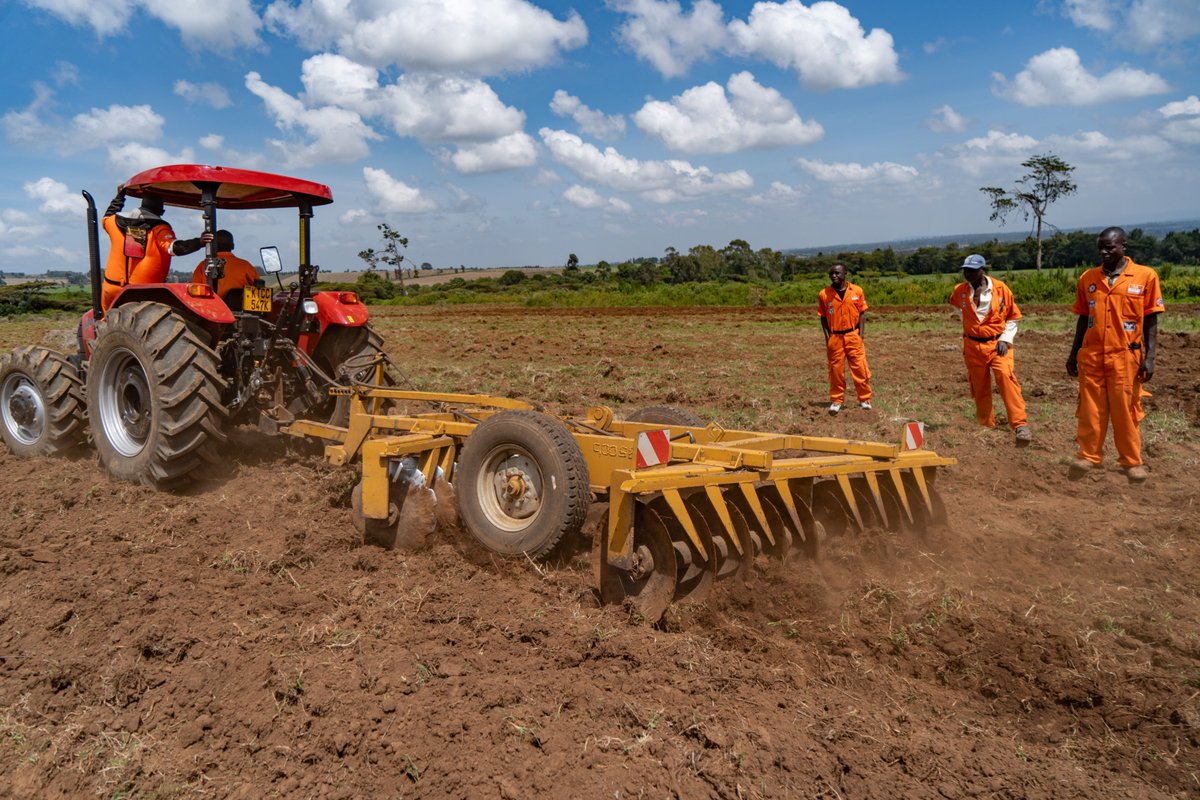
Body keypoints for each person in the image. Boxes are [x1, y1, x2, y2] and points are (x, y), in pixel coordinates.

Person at [1066, 227, 1164, 483]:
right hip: (1092, 355)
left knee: (1126, 410)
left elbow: (1151, 319)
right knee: (1090, 409)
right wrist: (1073, 353)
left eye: (1109, 247)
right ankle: (1088, 456)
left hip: (1125, 356)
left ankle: (1132, 462)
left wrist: (1150, 356)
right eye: (1100, 247)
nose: (1103, 252)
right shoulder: (1088, 278)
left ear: (1123, 246)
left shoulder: (1145, 276)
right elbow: (1083, 319)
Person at [948, 254, 1032, 446]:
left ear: (982, 270)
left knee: (1005, 378)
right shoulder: (959, 291)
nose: (967, 274)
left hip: (998, 345)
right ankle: (985, 426)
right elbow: (958, 309)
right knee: (979, 386)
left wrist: (1005, 338)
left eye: (971, 270)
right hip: (972, 346)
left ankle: (1020, 425)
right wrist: (972, 329)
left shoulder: (1001, 289)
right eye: (965, 270)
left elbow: (1013, 317)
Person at [100, 188, 211, 312]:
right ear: (161, 211)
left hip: (111, 290)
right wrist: (199, 242)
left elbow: (108, 215)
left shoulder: (114, 223)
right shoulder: (159, 229)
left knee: (107, 323)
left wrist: (120, 196)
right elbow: (174, 248)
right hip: (143, 294)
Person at [817, 263, 872, 414]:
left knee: (860, 368)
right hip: (835, 337)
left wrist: (860, 335)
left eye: (837, 273)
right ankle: (836, 400)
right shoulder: (824, 294)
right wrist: (827, 337)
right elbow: (822, 317)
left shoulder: (857, 291)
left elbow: (862, 313)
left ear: (845, 273)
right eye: (831, 273)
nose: (834, 276)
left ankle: (864, 399)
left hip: (853, 335)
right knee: (836, 370)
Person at [191, 229, 260, 306]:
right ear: (233, 246)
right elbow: (259, 289)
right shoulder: (246, 266)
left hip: (211, 310)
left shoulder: (203, 266)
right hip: (242, 311)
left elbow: (195, 293)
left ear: (212, 246)